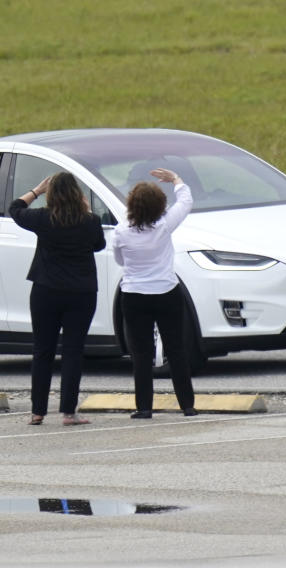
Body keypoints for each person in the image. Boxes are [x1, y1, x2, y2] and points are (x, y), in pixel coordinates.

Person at [9, 172, 106, 426]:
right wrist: (85, 210)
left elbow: (15, 208)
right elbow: (99, 245)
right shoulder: (90, 221)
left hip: (45, 290)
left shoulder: (42, 218)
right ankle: (68, 412)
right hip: (81, 292)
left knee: (43, 350)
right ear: (77, 194)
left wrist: (36, 191)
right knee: (73, 351)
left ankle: (37, 411)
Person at [112, 168, 197, 419]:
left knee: (141, 353)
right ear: (160, 205)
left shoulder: (121, 232)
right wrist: (176, 180)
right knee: (176, 349)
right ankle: (187, 404)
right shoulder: (164, 226)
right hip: (166, 291)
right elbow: (186, 202)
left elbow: (119, 259)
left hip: (134, 294)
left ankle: (144, 407)